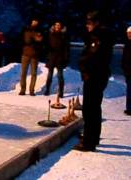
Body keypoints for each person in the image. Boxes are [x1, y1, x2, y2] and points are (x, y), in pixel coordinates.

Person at [74, 11, 114, 152]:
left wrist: (83, 64)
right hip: (97, 75)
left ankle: (89, 141)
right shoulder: (101, 36)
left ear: (96, 23)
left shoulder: (98, 37)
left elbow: (93, 56)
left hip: (94, 75)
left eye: (89, 23)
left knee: (90, 109)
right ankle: (92, 137)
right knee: (93, 108)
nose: (87, 26)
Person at [19, 17, 44, 96]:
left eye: (36, 21)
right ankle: (22, 89)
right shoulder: (26, 30)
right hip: (25, 54)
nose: (35, 23)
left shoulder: (40, 31)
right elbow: (24, 40)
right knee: (23, 73)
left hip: (35, 55)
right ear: (31, 22)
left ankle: (31, 90)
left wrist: (39, 41)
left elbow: (42, 41)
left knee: (34, 73)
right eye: (34, 21)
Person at [44, 20, 70, 98]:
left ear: (61, 27)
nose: (57, 26)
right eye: (56, 25)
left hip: (60, 59)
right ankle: (47, 90)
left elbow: (66, 48)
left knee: (60, 76)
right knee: (49, 76)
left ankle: (61, 92)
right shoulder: (50, 34)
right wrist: (47, 58)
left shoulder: (64, 35)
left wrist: (65, 59)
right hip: (51, 58)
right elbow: (47, 46)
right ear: (54, 26)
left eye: (59, 25)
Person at [122, 26, 131, 116]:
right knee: (129, 89)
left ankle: (129, 108)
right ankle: (129, 108)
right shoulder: (127, 44)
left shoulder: (128, 44)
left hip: (129, 70)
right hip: (128, 70)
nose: (128, 35)